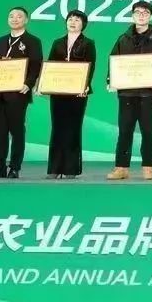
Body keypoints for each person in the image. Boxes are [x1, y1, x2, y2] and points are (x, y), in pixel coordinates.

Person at [106, 1, 152, 181]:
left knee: (148, 132)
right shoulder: (123, 39)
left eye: (145, 13)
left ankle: (149, 168)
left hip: (148, 93)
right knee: (124, 131)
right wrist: (111, 80)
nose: (141, 15)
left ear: (151, 16)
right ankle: (121, 168)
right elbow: (114, 61)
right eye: (137, 12)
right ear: (132, 15)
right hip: (127, 93)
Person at [0, 7, 43, 179]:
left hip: (18, 93)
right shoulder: (0, 41)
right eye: (11, 16)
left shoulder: (32, 41)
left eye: (19, 16)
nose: (15, 19)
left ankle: (14, 167)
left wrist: (28, 83)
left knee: (17, 131)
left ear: (26, 20)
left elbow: (36, 64)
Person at [43, 10, 96, 179]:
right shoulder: (57, 42)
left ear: (83, 24)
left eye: (77, 20)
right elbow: (50, 66)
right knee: (57, 128)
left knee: (73, 128)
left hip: (78, 92)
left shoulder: (88, 43)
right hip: (58, 91)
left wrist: (85, 86)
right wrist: (45, 84)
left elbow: (91, 66)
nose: (72, 22)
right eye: (70, 19)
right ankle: (54, 169)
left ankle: (70, 169)